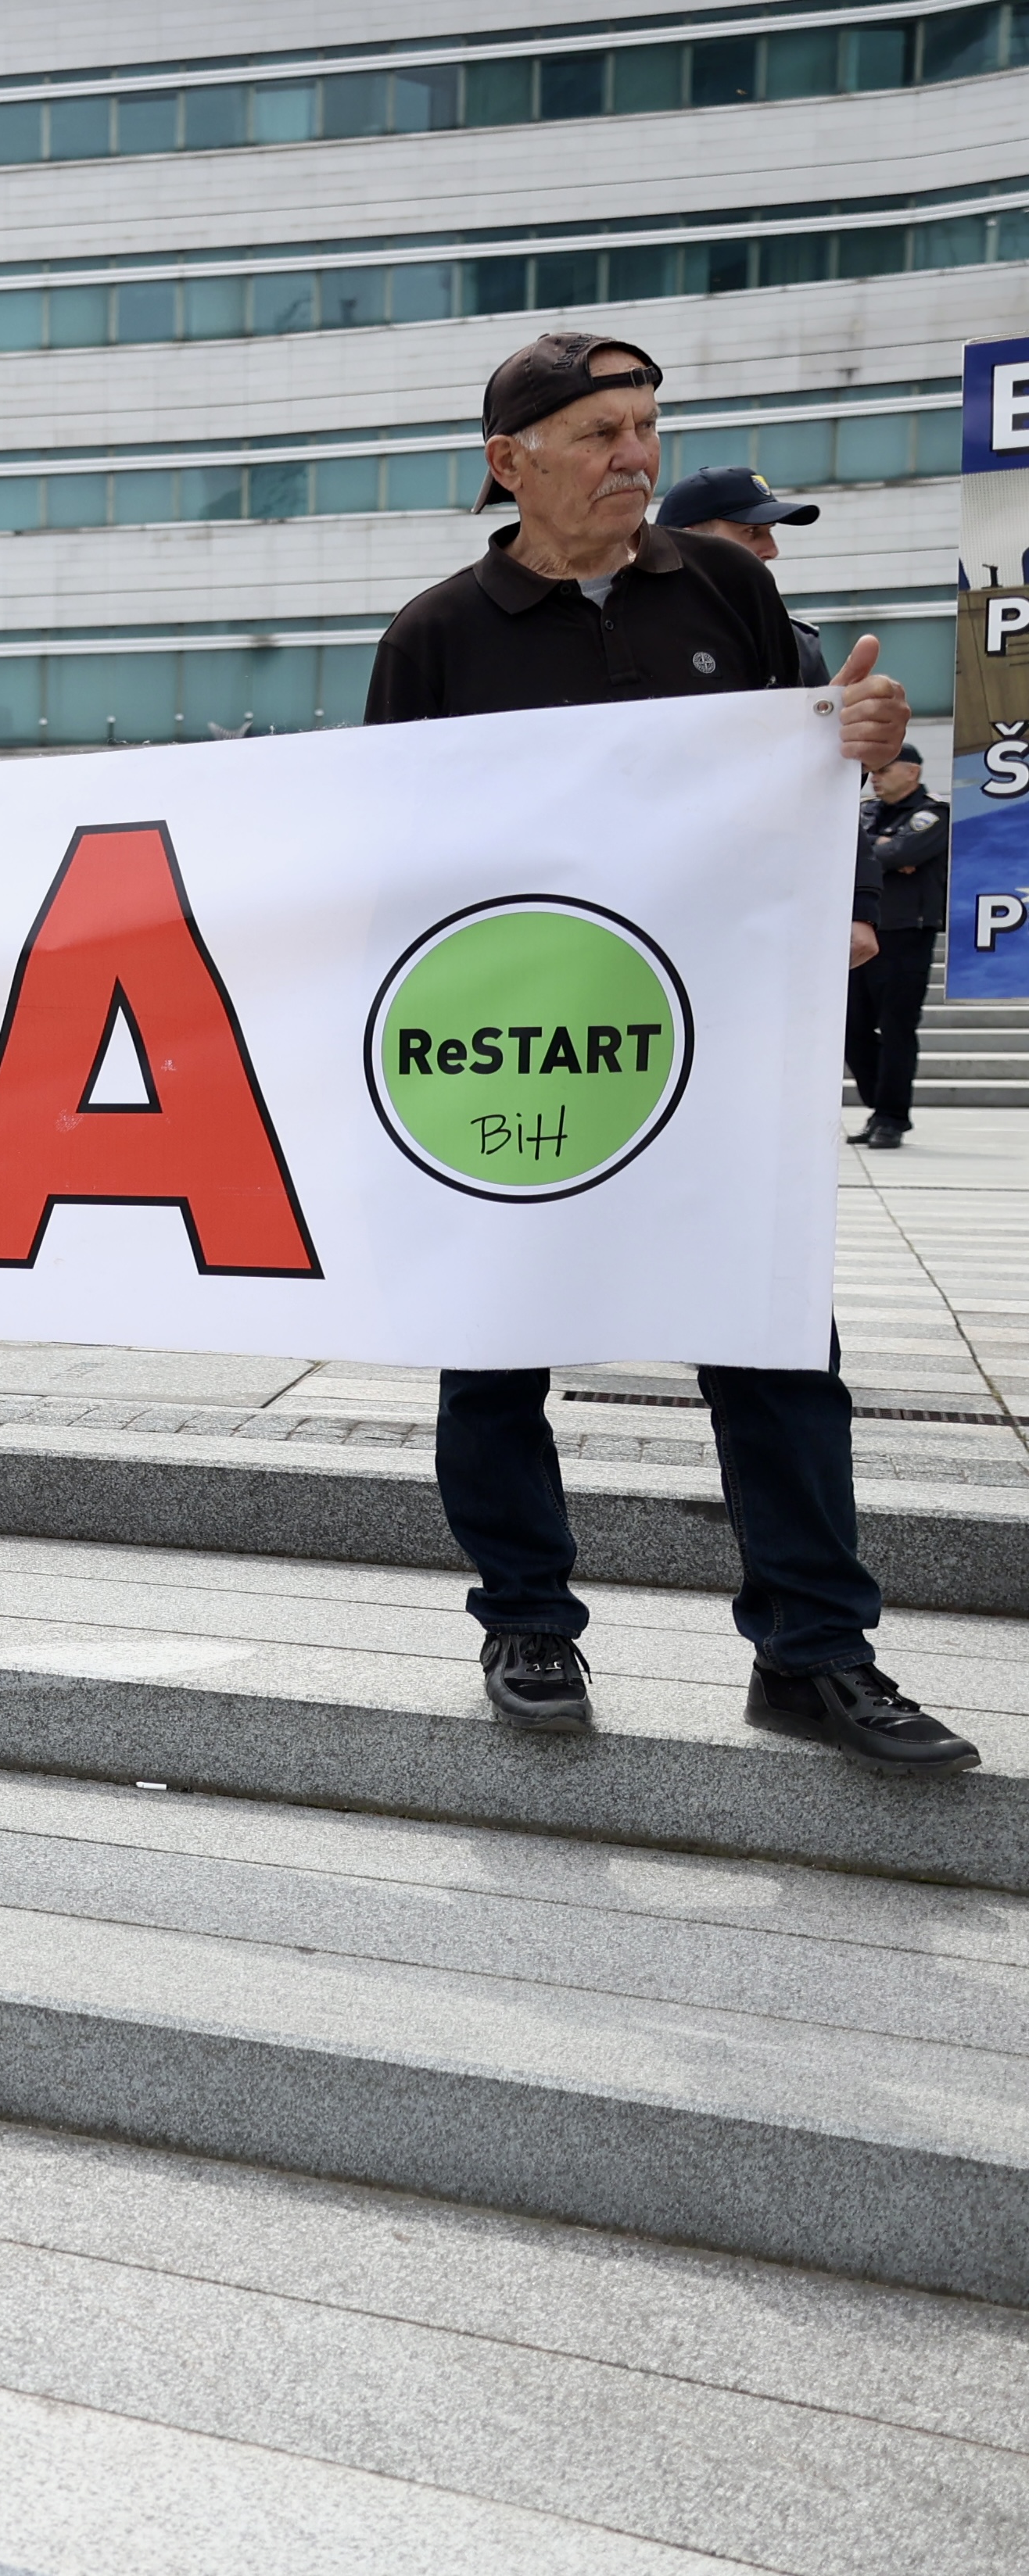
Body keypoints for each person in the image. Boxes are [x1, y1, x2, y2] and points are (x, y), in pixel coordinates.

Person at [362, 329, 972, 1770]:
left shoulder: (729, 591)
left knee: (773, 1347)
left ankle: (816, 1653)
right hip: (520, 1047)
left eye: (646, 426)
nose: (635, 455)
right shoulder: (437, 635)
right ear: (509, 463)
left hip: (722, 1042)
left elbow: (800, 780)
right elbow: (387, 868)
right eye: (598, 434)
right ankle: (528, 1623)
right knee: (498, 1349)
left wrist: (856, 747)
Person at [848, 753, 948, 1150]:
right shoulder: (866, 812)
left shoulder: (933, 812)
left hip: (907, 934)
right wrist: (883, 850)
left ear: (913, 772)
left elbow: (902, 854)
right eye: (872, 771)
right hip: (863, 932)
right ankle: (879, 1106)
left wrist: (881, 853)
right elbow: (852, 851)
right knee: (852, 1028)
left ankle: (891, 1117)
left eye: (885, 770)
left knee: (896, 1029)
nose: (875, 778)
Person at [654, 464, 830, 681]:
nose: (773, 550)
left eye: (769, 531)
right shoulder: (634, 637)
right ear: (689, 543)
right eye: (751, 531)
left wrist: (842, 710)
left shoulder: (796, 644)